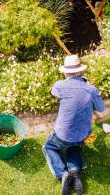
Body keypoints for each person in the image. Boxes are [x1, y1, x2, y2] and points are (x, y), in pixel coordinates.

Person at [42, 54, 105, 195]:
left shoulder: (60, 85)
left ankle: (63, 173)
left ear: (65, 72)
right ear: (81, 71)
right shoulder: (90, 89)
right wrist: (90, 88)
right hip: (82, 135)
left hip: (61, 135)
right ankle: (75, 170)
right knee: (75, 146)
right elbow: (101, 108)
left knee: (49, 147)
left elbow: (54, 92)